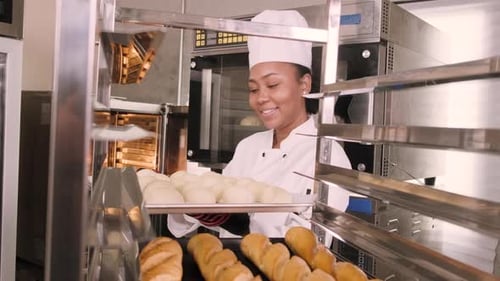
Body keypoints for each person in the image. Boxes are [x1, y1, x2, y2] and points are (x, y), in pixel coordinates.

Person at [168, 9, 351, 238]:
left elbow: (307, 242)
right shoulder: (248, 146)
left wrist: (238, 222)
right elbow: (215, 210)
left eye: (272, 85)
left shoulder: (328, 157)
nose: (261, 98)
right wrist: (189, 204)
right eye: (253, 89)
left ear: (304, 84)